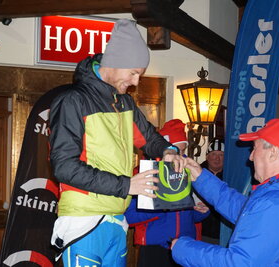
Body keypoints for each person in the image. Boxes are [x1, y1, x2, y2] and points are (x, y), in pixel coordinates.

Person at [49, 19, 183, 267]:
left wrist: (169, 150)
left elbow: (151, 138)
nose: (135, 82)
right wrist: (127, 185)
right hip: (83, 221)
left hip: (116, 218)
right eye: (133, 72)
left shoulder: (124, 103)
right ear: (114, 63)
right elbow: (64, 168)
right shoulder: (72, 100)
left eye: (139, 75)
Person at [170, 118, 279, 267]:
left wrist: (182, 248)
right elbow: (240, 208)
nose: (250, 157)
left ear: (273, 152)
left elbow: (239, 263)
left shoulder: (276, 203)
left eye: (254, 148)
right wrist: (200, 176)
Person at [125, 119, 209, 267]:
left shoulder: (188, 174)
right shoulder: (143, 174)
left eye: (183, 151)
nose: (181, 157)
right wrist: (162, 208)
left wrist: (202, 211)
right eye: (178, 151)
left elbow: (190, 217)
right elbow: (129, 217)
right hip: (154, 249)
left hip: (185, 248)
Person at [199, 138, 224, 244]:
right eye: (214, 154)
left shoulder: (233, 176)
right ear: (207, 156)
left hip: (224, 233)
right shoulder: (196, 174)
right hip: (201, 231)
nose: (217, 158)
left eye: (221, 155)